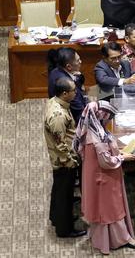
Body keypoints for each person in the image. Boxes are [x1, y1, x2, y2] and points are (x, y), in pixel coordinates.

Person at [73, 101, 135, 254]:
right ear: (100, 115)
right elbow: (106, 162)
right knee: (112, 208)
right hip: (104, 178)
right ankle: (122, 238)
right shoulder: (97, 139)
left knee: (100, 208)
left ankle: (101, 237)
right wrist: (122, 158)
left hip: (93, 176)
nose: (109, 119)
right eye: (108, 116)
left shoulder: (89, 128)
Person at [44, 77, 85, 238]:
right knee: (64, 194)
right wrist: (71, 162)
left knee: (59, 190)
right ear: (64, 93)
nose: (77, 92)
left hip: (64, 158)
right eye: (74, 90)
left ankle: (56, 217)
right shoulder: (58, 116)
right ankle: (64, 228)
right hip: (64, 161)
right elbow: (60, 145)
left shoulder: (56, 102)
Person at [47, 47, 86, 123]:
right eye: (78, 60)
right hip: (71, 120)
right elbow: (79, 111)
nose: (81, 62)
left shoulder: (55, 71)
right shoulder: (67, 84)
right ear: (68, 66)